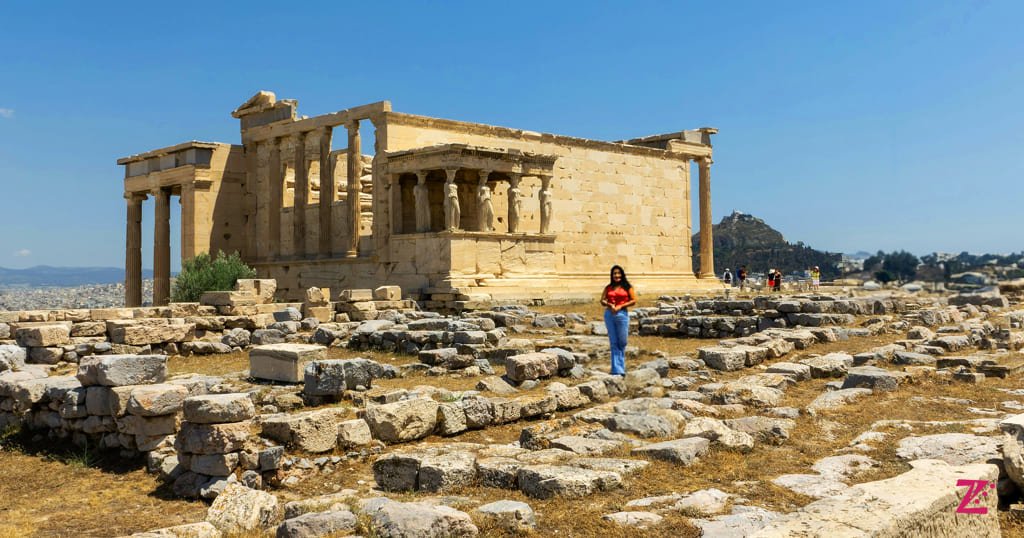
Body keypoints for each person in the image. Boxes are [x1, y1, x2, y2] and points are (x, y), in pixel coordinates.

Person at [600, 265, 637, 376]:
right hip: (609, 314)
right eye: (614, 273)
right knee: (614, 342)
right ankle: (617, 370)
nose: (617, 275)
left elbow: (634, 300)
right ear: (612, 275)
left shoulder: (627, 287)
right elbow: (602, 300)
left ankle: (620, 367)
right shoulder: (608, 287)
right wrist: (609, 304)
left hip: (622, 314)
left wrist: (621, 306)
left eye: (618, 273)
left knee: (622, 341)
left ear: (622, 274)